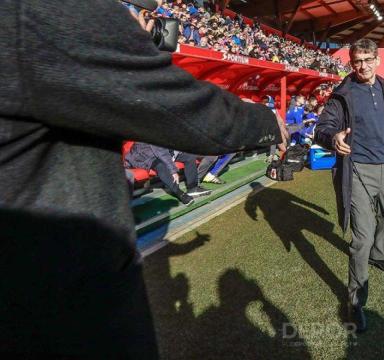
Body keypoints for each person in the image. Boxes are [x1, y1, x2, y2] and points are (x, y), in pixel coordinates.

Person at [0, 0, 287, 358]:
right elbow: (182, 108)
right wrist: (264, 121)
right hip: (64, 305)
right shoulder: (55, 11)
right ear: (140, 12)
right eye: (150, 18)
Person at [315, 39, 384, 333]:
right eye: (357, 61)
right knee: (361, 236)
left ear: (378, 59)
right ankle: (356, 302)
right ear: (351, 62)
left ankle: (379, 254)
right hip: (357, 169)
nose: (363, 66)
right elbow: (322, 127)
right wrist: (334, 137)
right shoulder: (342, 94)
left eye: (368, 59)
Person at [125, 143, 212, 205]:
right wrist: (173, 171)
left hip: (164, 152)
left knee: (189, 157)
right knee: (160, 166)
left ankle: (193, 187)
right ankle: (180, 193)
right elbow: (161, 153)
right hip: (144, 156)